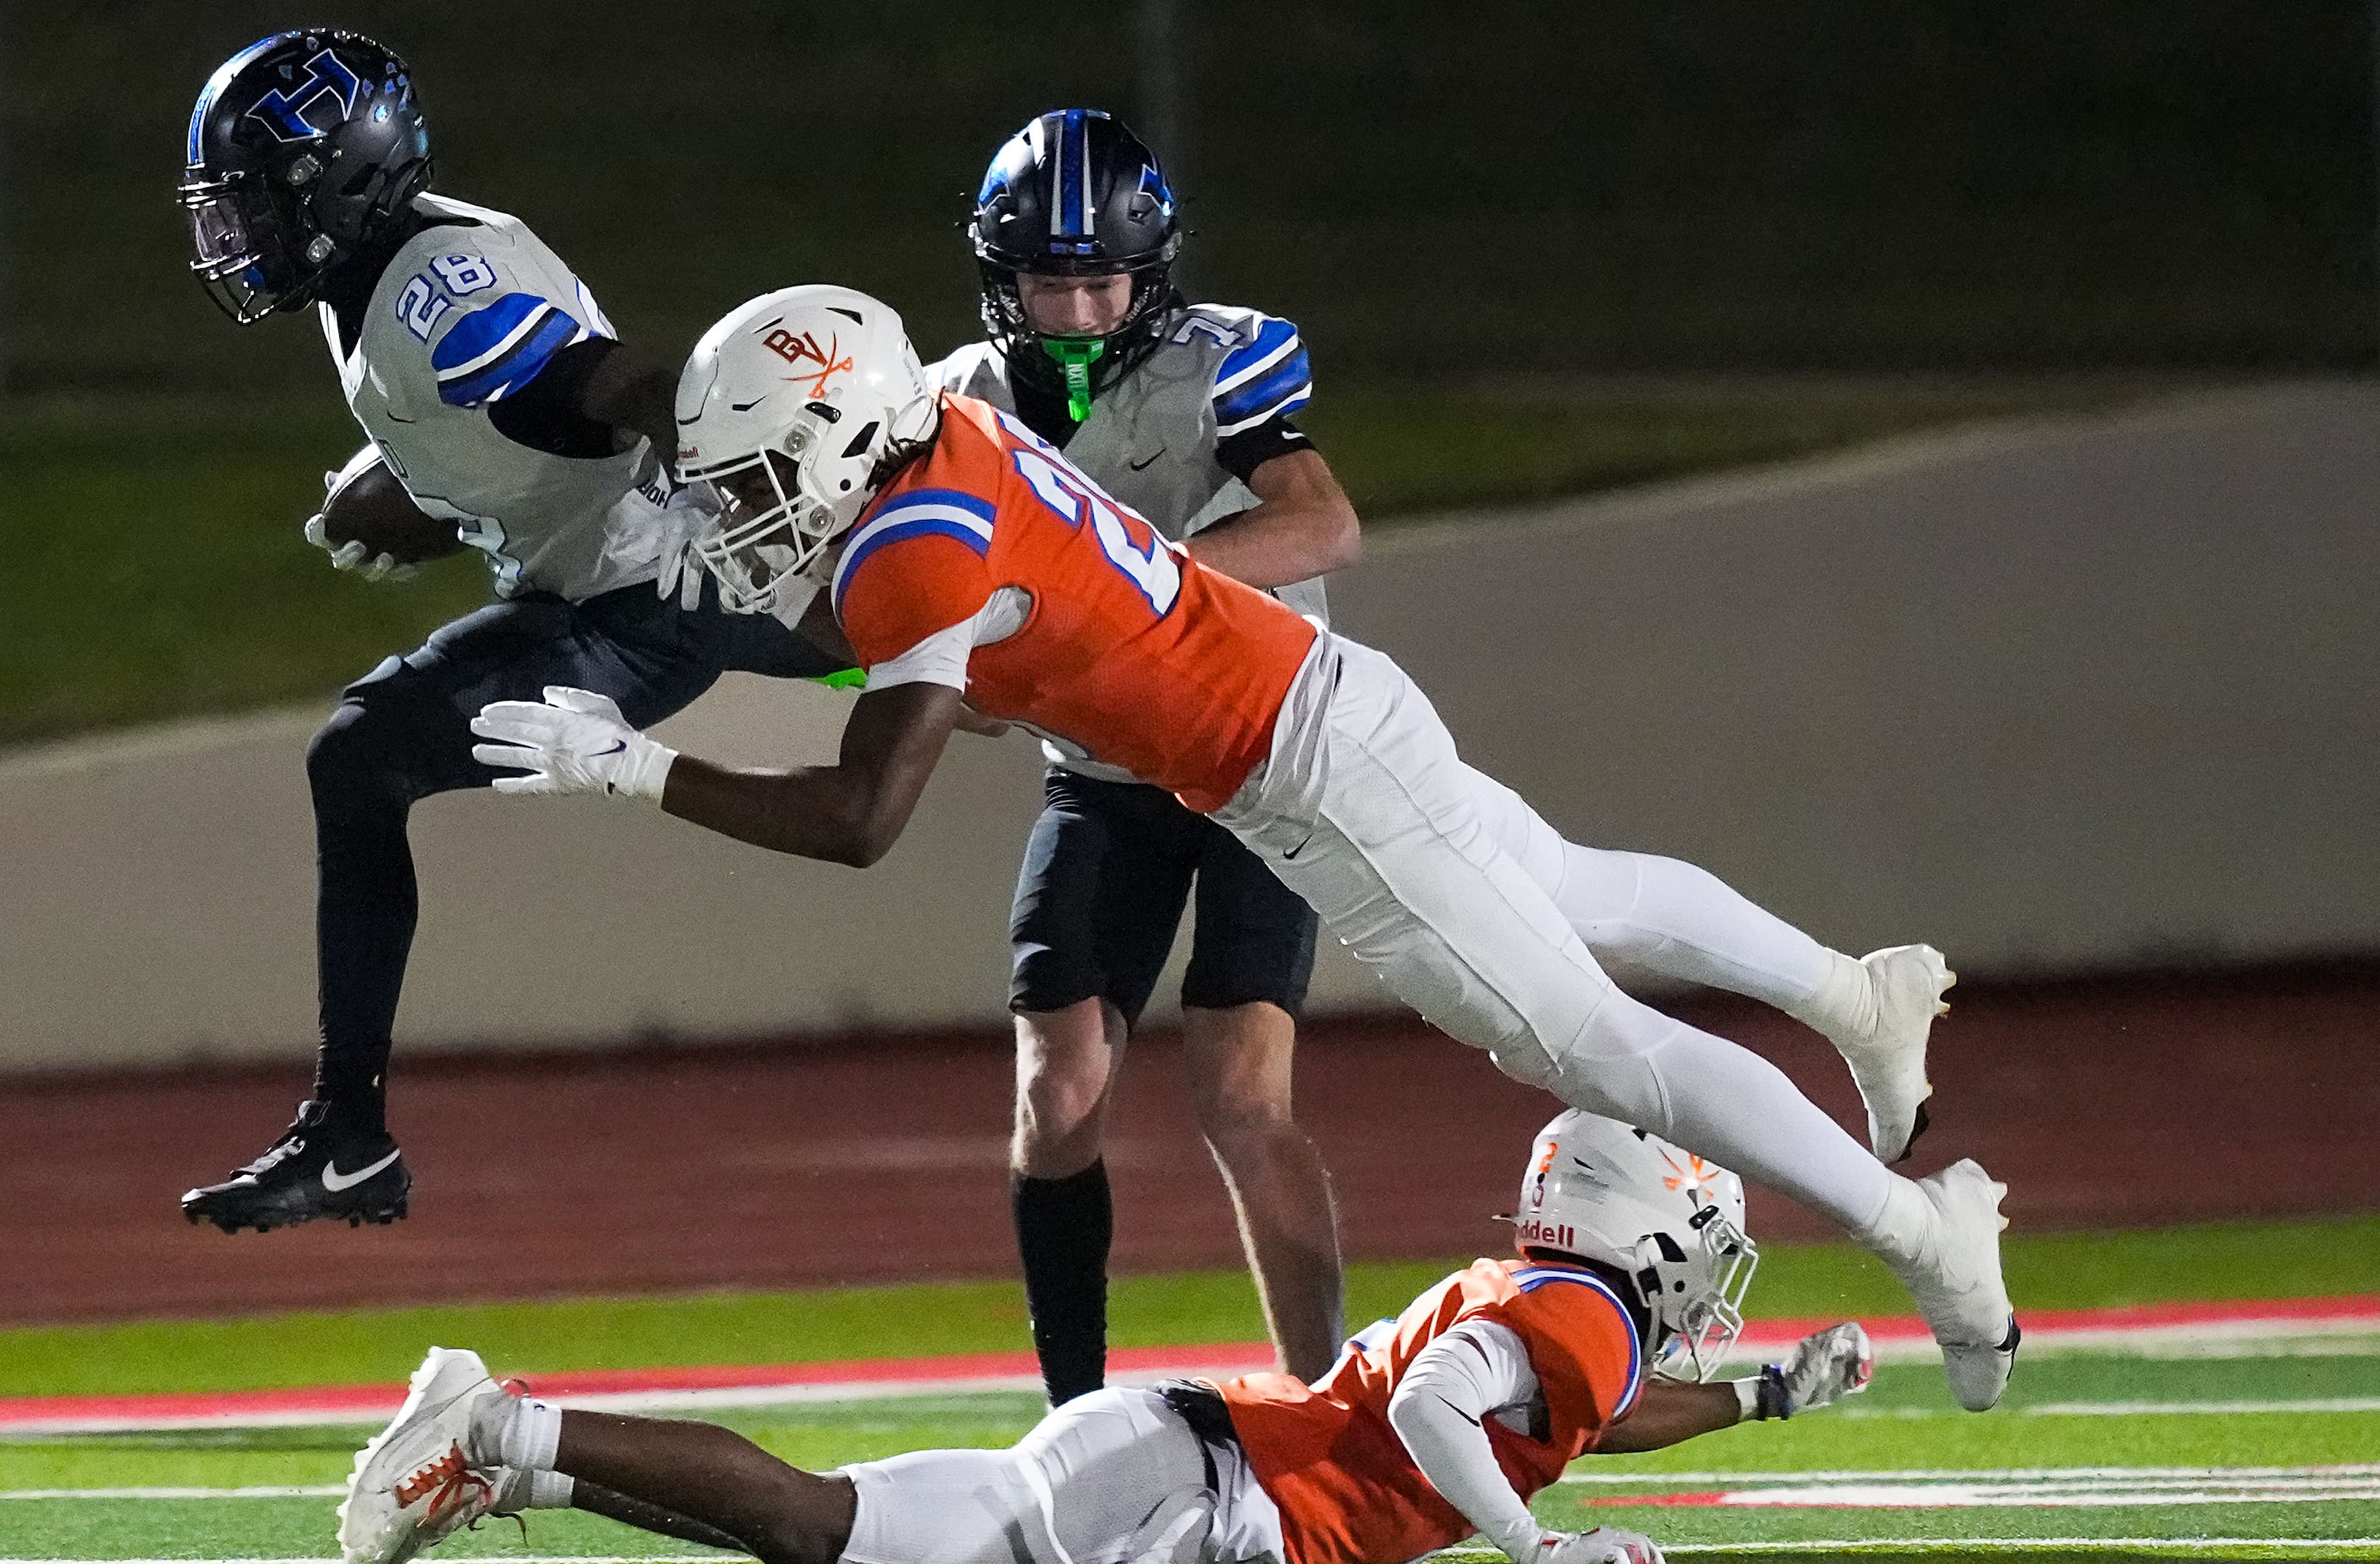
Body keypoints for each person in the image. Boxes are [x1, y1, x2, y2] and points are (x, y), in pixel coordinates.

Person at [468, 284, 2017, 1412]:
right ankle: (1852, 993)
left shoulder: (923, 538)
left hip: (1300, 771)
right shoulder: (934, 440)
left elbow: (865, 817)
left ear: (848, 438)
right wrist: (719, 603)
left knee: (1600, 1048)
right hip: (1321, 702)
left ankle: (1920, 1230)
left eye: (753, 480)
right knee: (1576, 888)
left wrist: (642, 771)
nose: (738, 510)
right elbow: (870, 611)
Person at [173, 30, 848, 1234]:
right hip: (615, 585)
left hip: (646, 602)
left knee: (361, 753)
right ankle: (347, 1136)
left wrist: (711, 473)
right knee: (941, 660)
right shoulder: (384, 271)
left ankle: (347, 1137)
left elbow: (612, 387)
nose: (240, 232)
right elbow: (528, 434)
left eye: (263, 199)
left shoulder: (434, 290)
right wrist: (423, 488)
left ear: (343, 181)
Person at [336, 1109, 1878, 1564]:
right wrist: (1530, 1546)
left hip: (1184, 1461)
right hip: (1184, 1481)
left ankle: (516, 1475)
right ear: (1645, 1229)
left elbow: (1592, 1413)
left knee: (833, 1549)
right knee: (835, 1527)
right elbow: (1431, 1409)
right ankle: (504, 1425)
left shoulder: (1578, 1320)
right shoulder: (1579, 1314)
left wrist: (1760, 1394)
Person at [936, 109, 1361, 1399]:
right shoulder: (961, 404)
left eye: (1097, 278)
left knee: (1242, 1097)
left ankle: (1332, 1405)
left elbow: (1325, 526)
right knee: (1055, 1089)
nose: (1071, 308)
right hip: (1104, 775)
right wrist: (966, 667)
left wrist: (1139, 591)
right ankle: (1072, 1412)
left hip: (1253, 758)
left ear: (1150, 273)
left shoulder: (1218, 364)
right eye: (1045, 280)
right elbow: (958, 668)